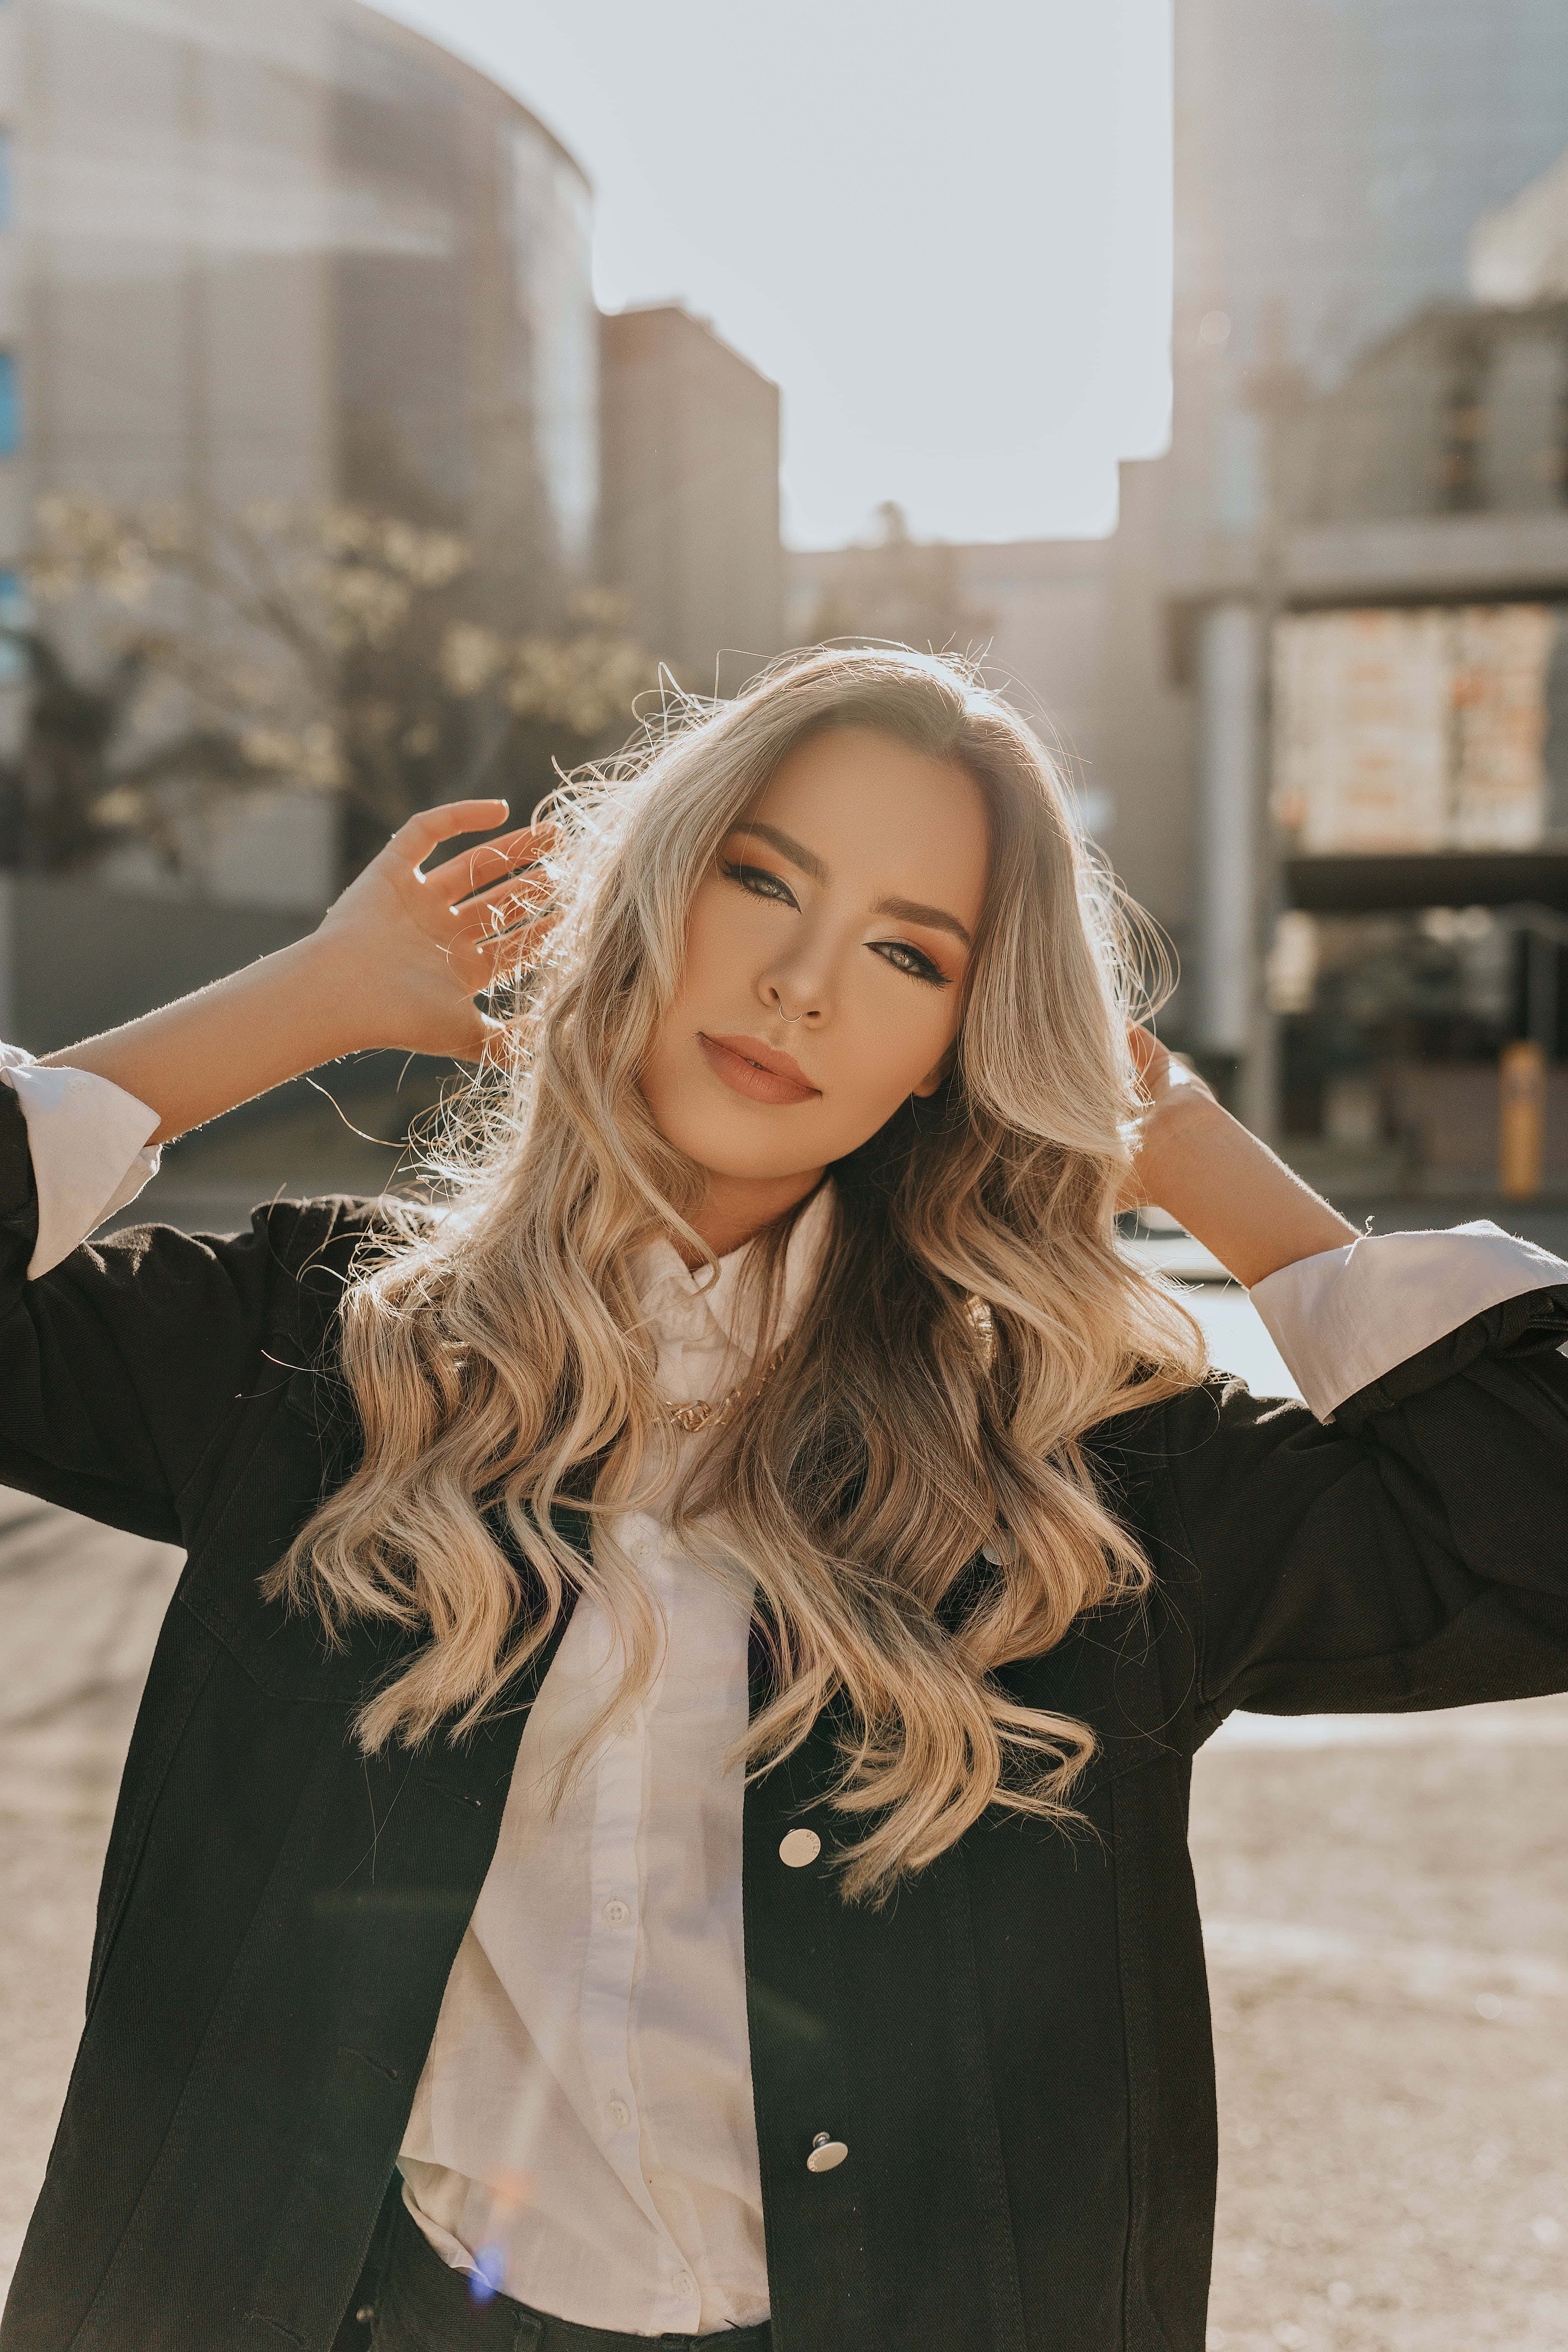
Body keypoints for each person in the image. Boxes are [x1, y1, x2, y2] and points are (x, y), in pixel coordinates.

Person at [0, 645, 1565, 2352]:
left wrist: (1195, 1152)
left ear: (955, 1047)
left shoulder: (1082, 1472)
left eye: (909, 953)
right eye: (762, 881)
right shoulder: (317, 1355)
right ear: (654, 904)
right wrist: (310, 996)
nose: (804, 987)